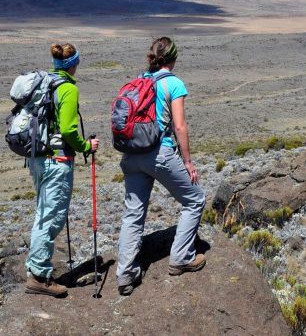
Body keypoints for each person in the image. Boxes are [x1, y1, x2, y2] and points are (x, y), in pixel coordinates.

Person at [116, 37, 206, 296]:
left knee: (133, 214)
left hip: (131, 155)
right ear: (174, 58)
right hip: (159, 153)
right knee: (195, 199)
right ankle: (181, 257)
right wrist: (188, 162)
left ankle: (125, 275)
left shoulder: (139, 80)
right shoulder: (173, 83)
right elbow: (179, 126)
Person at [25, 43, 100, 297]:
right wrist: (86, 146)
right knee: (51, 218)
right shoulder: (67, 88)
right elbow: (68, 130)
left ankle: (36, 270)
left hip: (38, 160)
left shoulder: (46, 83)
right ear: (73, 65)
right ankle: (39, 277)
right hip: (57, 161)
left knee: (43, 214)